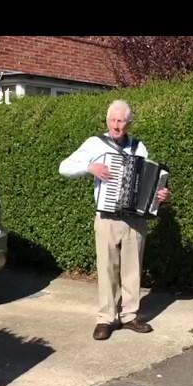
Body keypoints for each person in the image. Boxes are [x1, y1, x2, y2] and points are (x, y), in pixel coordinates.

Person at [59, 100, 171, 341]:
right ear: (107, 121)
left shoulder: (139, 148)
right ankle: (106, 318)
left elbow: (149, 182)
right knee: (107, 268)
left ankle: (130, 315)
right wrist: (89, 168)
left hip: (135, 219)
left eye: (122, 121)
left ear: (129, 123)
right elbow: (64, 167)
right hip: (106, 217)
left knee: (132, 270)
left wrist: (159, 195)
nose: (117, 126)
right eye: (113, 120)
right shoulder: (94, 144)